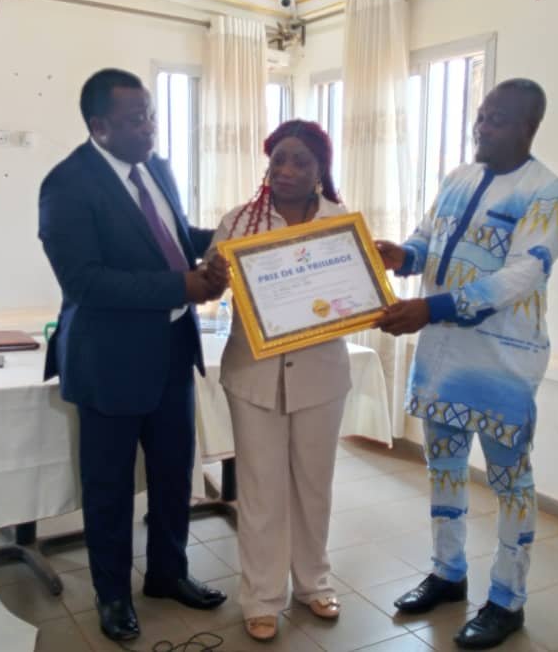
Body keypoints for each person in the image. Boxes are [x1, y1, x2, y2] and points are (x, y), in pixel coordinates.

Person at [375, 79, 558, 650]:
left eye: (497, 119)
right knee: (443, 469)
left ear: (528, 127)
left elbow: (521, 276)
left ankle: (507, 600)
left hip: (501, 365)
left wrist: (431, 307)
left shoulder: (548, 194)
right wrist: (400, 256)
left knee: (511, 482)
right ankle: (448, 573)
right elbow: (426, 241)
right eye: (481, 115)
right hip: (442, 357)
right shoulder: (458, 178)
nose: (481, 126)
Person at [38, 68, 230, 643]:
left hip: (173, 350)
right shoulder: (66, 185)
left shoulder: (157, 169)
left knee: (173, 476)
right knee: (110, 488)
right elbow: (85, 281)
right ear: (99, 126)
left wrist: (230, 237)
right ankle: (113, 595)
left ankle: (169, 574)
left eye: (151, 115)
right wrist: (181, 287)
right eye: (136, 120)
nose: (150, 128)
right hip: (110, 362)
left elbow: (173, 236)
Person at [205, 120, 351, 641]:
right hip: (254, 374)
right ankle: (262, 597)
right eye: (278, 160)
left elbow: (352, 294)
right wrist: (212, 275)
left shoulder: (340, 225)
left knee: (314, 484)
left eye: (300, 162)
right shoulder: (239, 222)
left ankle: (313, 583)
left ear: (320, 170)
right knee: (261, 488)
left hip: (321, 373)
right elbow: (211, 287)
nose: (286, 170)